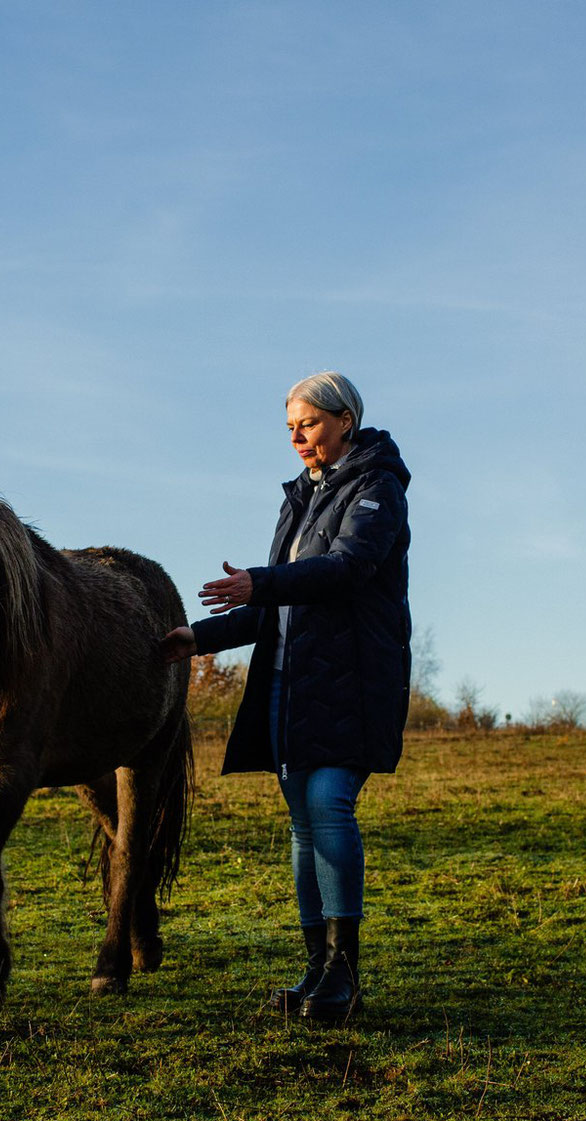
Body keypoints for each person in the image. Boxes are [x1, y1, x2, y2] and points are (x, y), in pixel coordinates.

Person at [161, 372, 412, 1023]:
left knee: (329, 802)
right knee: (303, 819)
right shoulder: (299, 500)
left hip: (352, 680)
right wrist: (200, 637)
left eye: (309, 422)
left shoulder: (377, 486)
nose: (298, 436)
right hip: (290, 686)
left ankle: (345, 972)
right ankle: (318, 969)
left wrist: (262, 581)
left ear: (345, 419)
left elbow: (348, 568)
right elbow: (273, 606)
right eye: (291, 427)